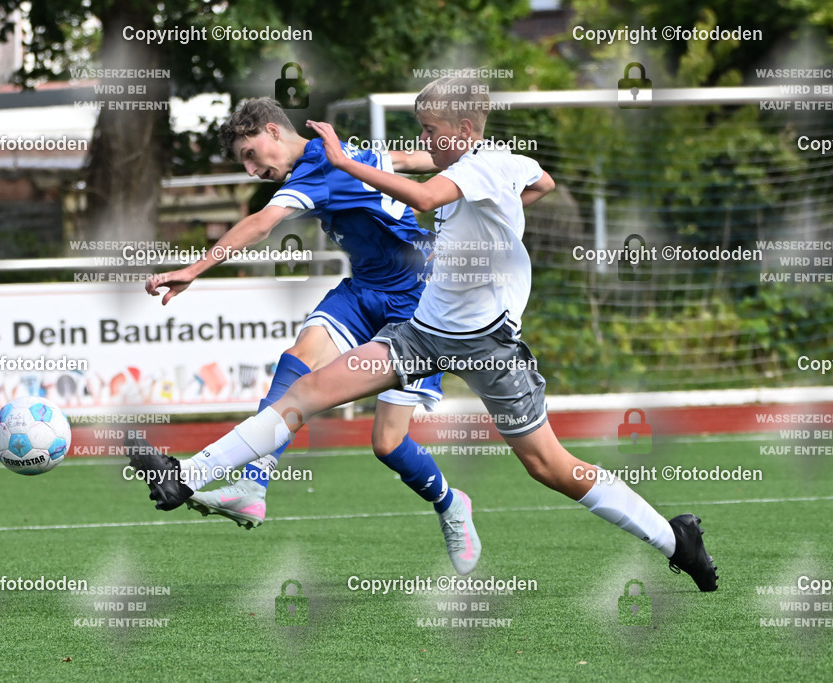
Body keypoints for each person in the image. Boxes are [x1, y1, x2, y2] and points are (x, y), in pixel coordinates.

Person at [130, 79, 717, 591]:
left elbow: (427, 192)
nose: (425, 144)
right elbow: (537, 182)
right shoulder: (484, 166)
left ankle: (674, 538)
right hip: (421, 333)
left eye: (433, 132)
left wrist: (344, 158)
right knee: (302, 394)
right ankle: (190, 476)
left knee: (547, 465)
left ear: (464, 129)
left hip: (488, 347)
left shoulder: (483, 165)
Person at [141, 97, 480, 574]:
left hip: (416, 307)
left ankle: (450, 504)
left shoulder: (321, 167)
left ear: (274, 132)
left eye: (251, 154)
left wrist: (194, 269)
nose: (252, 168)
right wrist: (458, 153)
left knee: (387, 444)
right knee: (296, 359)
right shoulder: (342, 152)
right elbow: (407, 160)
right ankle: (253, 486)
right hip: (362, 294)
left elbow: (261, 224)